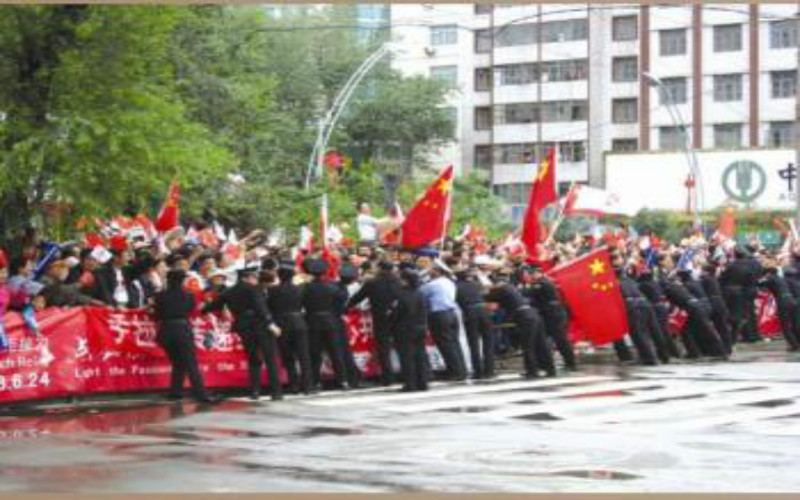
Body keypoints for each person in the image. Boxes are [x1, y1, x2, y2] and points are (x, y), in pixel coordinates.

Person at [205, 268, 283, 401]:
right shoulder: (253, 289)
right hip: (261, 326)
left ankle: (255, 392)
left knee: (253, 360)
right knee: (270, 358)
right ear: (246, 277)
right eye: (253, 277)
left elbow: (213, 306)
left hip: (243, 328)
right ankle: (276, 392)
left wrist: (204, 309)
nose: (255, 279)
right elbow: (260, 307)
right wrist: (271, 323)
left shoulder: (229, 291)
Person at [153, 269, 215, 403]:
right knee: (191, 363)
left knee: (178, 363)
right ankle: (201, 394)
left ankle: (176, 392)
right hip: (182, 330)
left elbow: (157, 314)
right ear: (182, 281)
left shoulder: (159, 295)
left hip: (165, 330)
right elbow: (190, 310)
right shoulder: (188, 295)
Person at [485, 270, 555, 378]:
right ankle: (550, 369)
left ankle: (532, 371)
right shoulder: (511, 288)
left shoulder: (501, 290)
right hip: (533, 314)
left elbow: (490, 301)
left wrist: (485, 291)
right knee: (541, 344)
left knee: (528, 345)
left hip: (525, 317)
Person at [345, 260, 403, 386]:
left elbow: (357, 297)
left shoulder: (372, 282)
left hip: (380, 318)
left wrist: (346, 307)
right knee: (402, 346)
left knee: (384, 349)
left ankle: (388, 378)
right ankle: (406, 373)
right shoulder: (399, 281)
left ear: (380, 268)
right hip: (399, 318)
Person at [302, 258, 352, 390]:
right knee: (336, 352)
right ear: (324, 272)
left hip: (312, 322)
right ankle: (343, 380)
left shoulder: (305, 288)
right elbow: (342, 301)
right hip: (331, 321)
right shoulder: (333, 287)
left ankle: (316, 381)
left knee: (315, 354)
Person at [268, 261, 313, 394]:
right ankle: (307, 386)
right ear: (292, 275)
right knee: (304, 356)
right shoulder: (301, 289)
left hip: (282, 323)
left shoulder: (272, 290)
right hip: (299, 322)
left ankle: (294, 385)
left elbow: (270, 307)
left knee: (288, 357)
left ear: (279, 276)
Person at [420, 259, 467, 381]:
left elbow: (420, 292)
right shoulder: (449, 282)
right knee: (454, 343)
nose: (429, 272)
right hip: (452, 314)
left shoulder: (433, 284)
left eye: (431, 270)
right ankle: (461, 370)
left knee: (445, 344)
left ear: (436, 271)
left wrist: (422, 277)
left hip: (439, 315)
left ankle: (455, 371)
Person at [523, 264, 576, 371]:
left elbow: (528, 293)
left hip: (553, 316)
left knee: (560, 340)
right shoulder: (543, 282)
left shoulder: (541, 283)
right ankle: (545, 363)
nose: (532, 276)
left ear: (539, 273)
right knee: (548, 340)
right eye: (531, 274)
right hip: (552, 315)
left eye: (533, 274)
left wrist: (525, 287)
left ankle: (570, 362)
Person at [391, 268, 429, 392]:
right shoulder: (422, 293)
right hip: (421, 327)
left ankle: (410, 384)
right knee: (420, 355)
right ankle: (423, 383)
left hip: (405, 329)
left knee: (407, 357)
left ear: (406, 280)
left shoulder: (401, 295)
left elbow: (396, 314)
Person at [455, 265, 496, 379]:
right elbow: (487, 292)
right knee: (488, 341)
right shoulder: (477, 284)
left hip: (470, 312)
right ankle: (490, 370)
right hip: (484, 310)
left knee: (473, 343)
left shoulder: (456, 286)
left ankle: (478, 371)